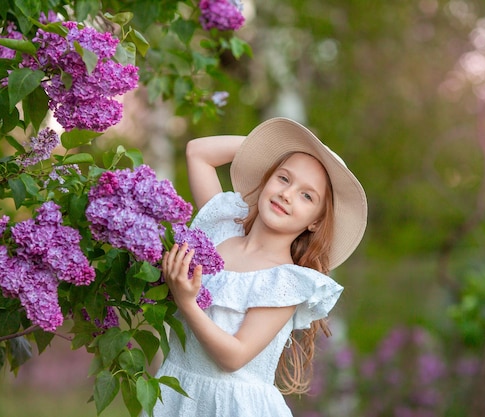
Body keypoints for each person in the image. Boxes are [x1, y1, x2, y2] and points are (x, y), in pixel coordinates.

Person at [153, 117, 367, 416]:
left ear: (315, 221)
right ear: (267, 179)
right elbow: (197, 152)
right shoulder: (221, 230)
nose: (287, 194)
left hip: (231, 407)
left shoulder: (285, 281)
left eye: (307, 196)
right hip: (176, 393)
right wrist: (274, 150)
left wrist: (187, 303)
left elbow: (234, 356)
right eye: (283, 178)